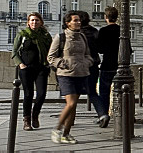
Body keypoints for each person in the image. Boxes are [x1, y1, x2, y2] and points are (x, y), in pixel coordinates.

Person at [47, 11, 95, 144]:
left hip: (81, 73)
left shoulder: (83, 37)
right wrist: (64, 64)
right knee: (71, 103)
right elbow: (51, 57)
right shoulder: (61, 37)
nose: (78, 22)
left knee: (73, 106)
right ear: (67, 23)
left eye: (79, 20)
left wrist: (87, 62)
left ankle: (66, 134)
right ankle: (57, 129)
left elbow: (88, 54)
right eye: (75, 20)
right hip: (65, 74)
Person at [12, 11, 52, 131]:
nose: (34, 22)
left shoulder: (45, 35)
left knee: (41, 94)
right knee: (28, 94)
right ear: (28, 23)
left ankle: (35, 114)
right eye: (32, 20)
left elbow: (51, 50)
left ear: (41, 22)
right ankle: (27, 120)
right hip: (26, 68)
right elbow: (14, 52)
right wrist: (21, 64)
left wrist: (49, 63)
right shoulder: (23, 35)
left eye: (37, 20)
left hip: (41, 68)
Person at [75, 10, 106, 126]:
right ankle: (102, 114)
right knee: (92, 92)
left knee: (74, 94)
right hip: (93, 64)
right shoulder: (94, 32)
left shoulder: (77, 33)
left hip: (78, 66)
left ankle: (70, 119)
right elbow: (100, 48)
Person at [95, 7, 121, 126]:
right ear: (117, 17)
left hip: (107, 65)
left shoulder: (103, 31)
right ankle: (122, 114)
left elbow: (99, 48)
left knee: (104, 92)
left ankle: (104, 115)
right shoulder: (121, 30)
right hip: (120, 66)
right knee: (121, 92)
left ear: (106, 17)